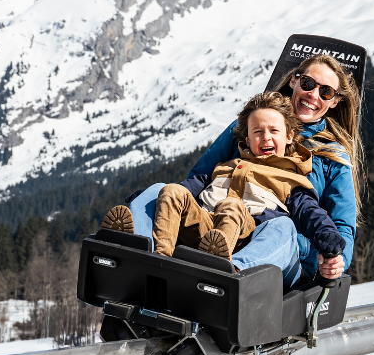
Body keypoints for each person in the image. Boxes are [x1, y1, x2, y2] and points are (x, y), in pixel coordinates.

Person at [104, 54, 360, 287]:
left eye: (325, 91)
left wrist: (336, 258)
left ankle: (229, 272)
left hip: (277, 246)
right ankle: (133, 251)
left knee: (284, 228)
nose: (314, 95)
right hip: (213, 222)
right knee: (160, 191)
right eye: (308, 83)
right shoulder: (245, 127)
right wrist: (158, 199)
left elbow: (338, 223)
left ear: (335, 100)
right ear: (294, 81)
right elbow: (200, 178)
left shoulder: (332, 156)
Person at [146, 92, 345, 264]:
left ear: (289, 136)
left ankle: (215, 264)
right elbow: (188, 187)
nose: (266, 137)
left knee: (231, 205)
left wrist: (327, 234)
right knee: (172, 191)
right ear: (248, 140)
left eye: (274, 131)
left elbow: (309, 211)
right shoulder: (224, 167)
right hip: (203, 225)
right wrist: (152, 198)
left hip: (246, 235)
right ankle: (161, 257)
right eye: (258, 132)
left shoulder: (290, 179)